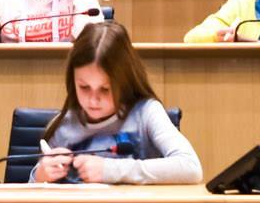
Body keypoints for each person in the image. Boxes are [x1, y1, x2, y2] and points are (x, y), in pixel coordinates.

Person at [29, 22, 202, 184]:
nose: (93, 100)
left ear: (124, 81)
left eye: (105, 89)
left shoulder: (146, 113)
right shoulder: (64, 125)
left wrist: (109, 169)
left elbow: (191, 167)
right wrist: (40, 176)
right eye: (84, 87)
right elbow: (30, 195)